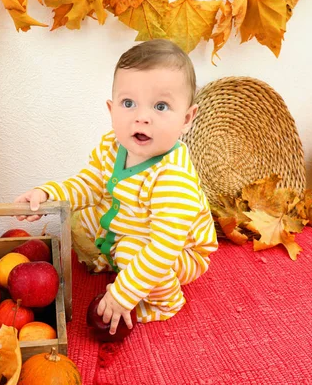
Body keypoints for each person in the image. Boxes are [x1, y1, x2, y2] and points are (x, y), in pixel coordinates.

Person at [14, 39, 218, 335]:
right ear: (111, 110)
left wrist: (123, 294)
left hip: (179, 252)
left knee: (134, 251)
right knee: (79, 216)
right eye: (128, 103)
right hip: (135, 225)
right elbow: (88, 184)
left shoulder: (173, 176)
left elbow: (163, 247)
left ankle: (166, 302)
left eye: (161, 106)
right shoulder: (113, 147)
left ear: (186, 119)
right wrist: (48, 194)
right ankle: (110, 257)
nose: (142, 116)